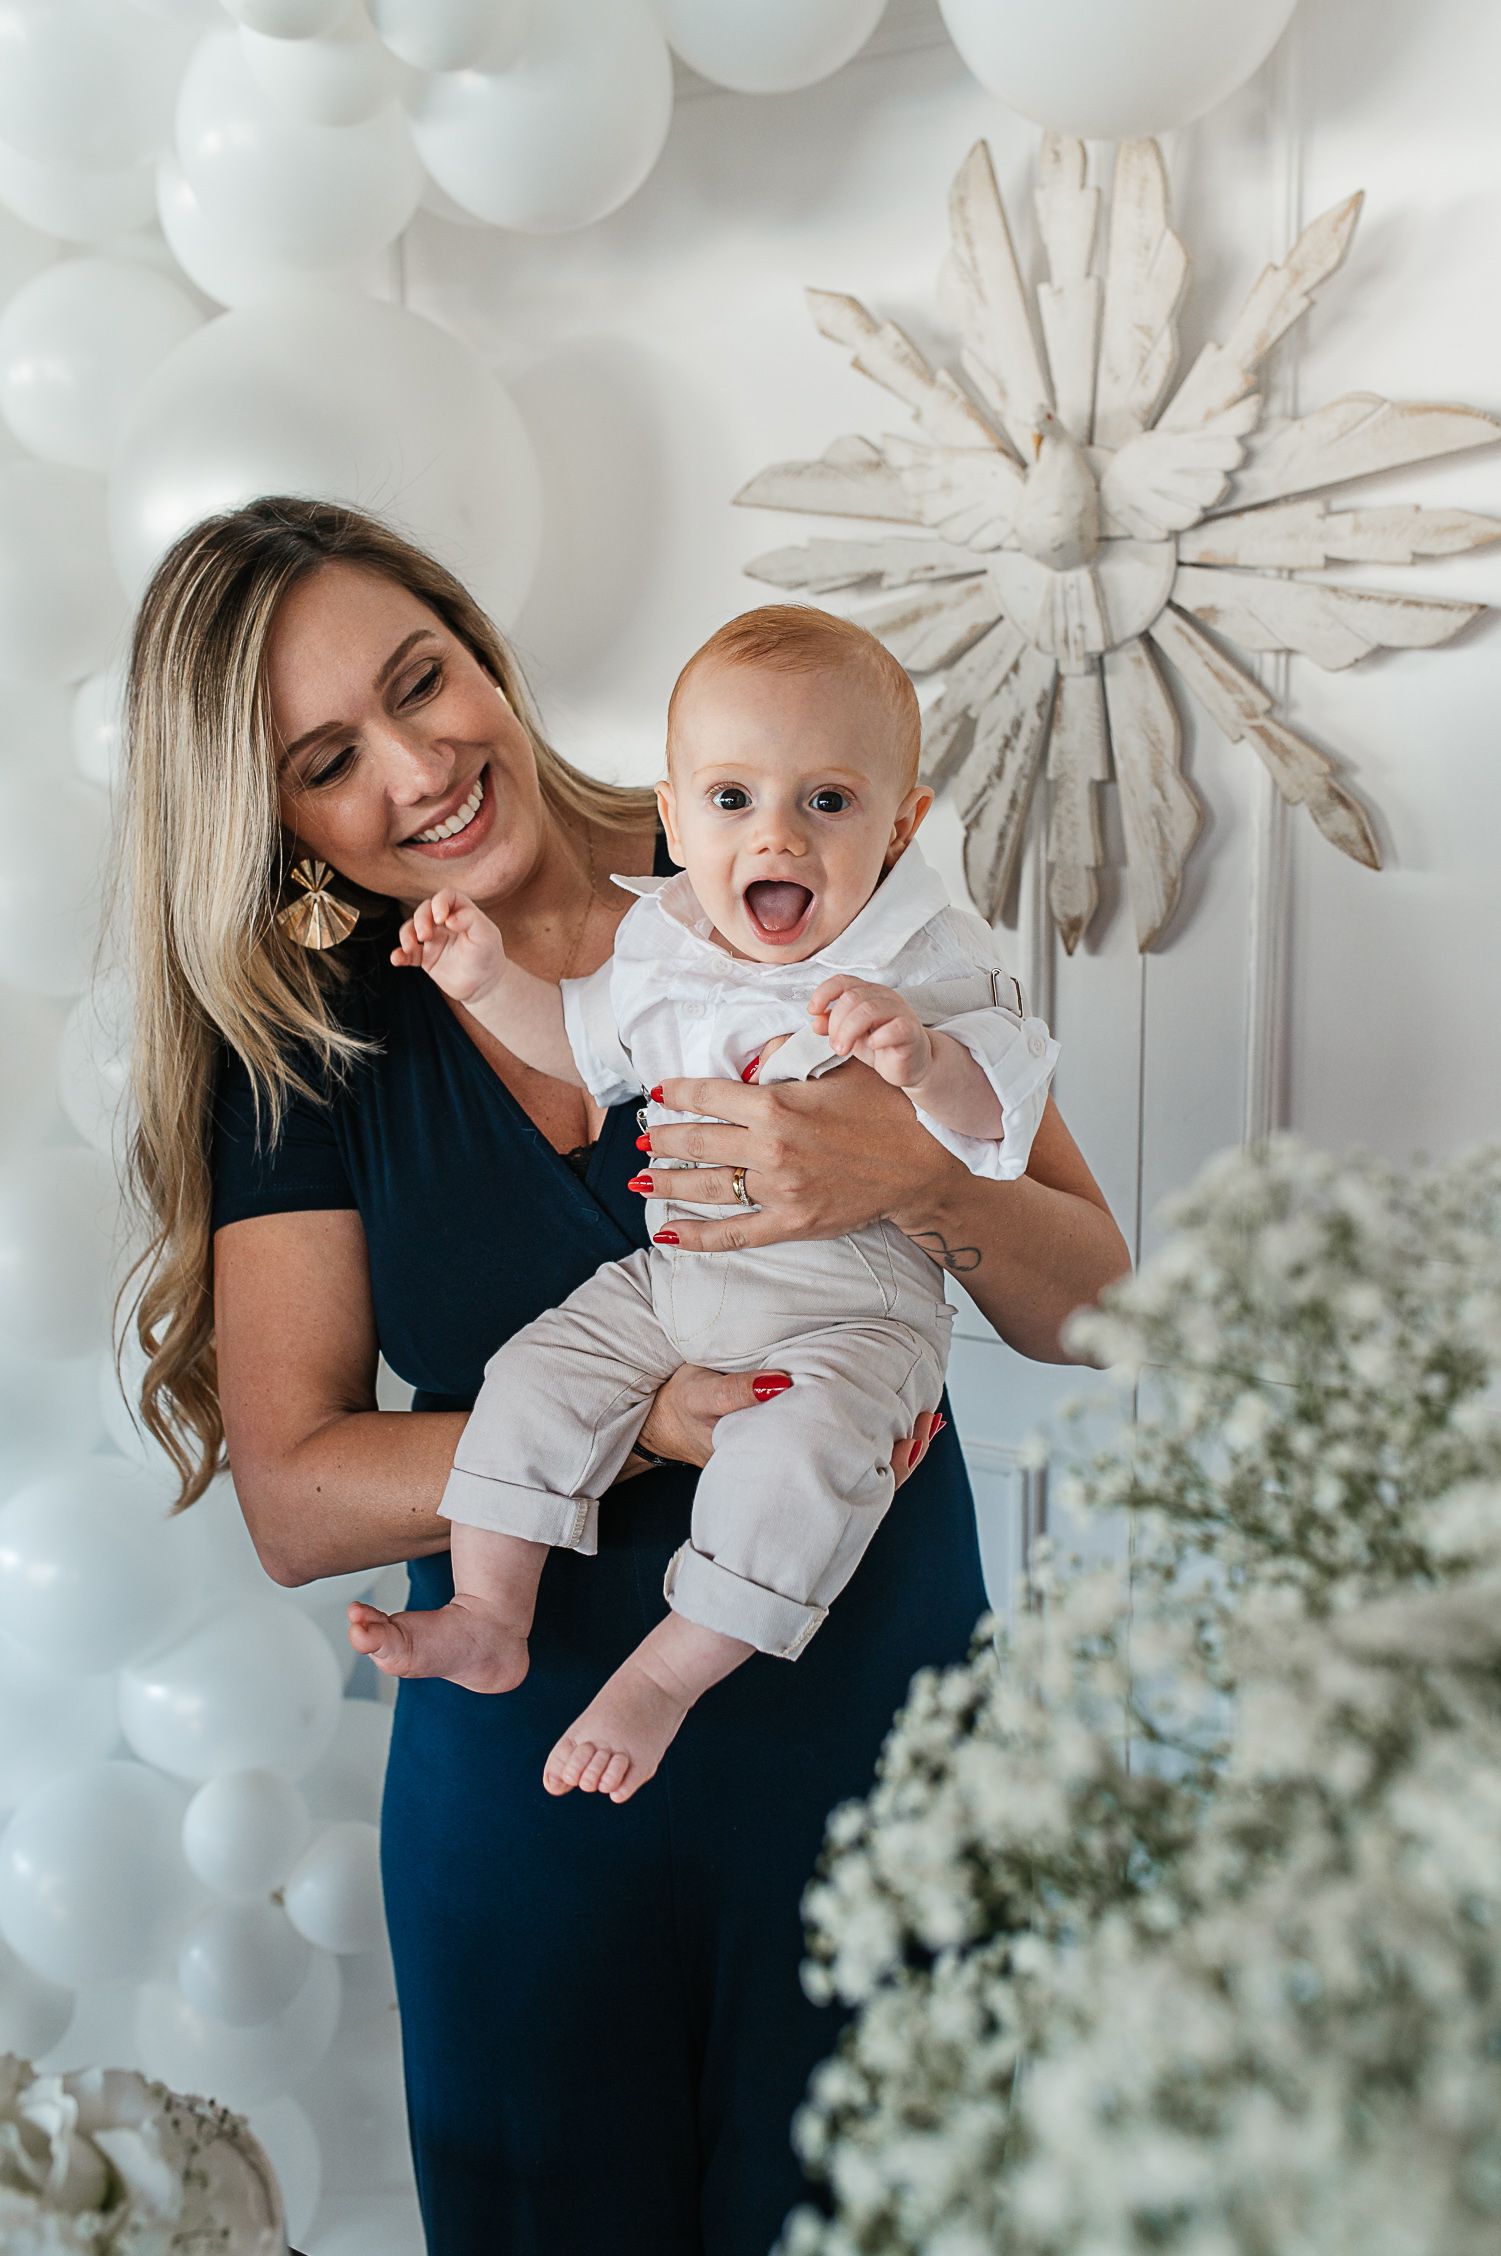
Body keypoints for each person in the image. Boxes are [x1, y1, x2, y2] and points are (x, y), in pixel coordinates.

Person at [117, 494, 1130, 2256]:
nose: (421, 767)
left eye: (424, 681)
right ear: (273, 816)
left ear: (480, 645)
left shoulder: (806, 871)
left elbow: (1104, 1303)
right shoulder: (313, 1054)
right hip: (540, 1822)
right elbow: (295, 1492)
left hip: (881, 1761)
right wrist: (648, 1422)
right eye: (330, 758)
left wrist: (913, 1179)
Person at [347, 606, 1061, 1811]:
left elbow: (1004, 1111)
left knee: (799, 1456)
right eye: (731, 801)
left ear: (901, 825)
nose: (774, 832)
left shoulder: (924, 959)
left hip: (849, 1309)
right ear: (673, 820)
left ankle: (669, 1674)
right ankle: (487, 1608)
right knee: (536, 1371)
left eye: (826, 803)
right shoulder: (665, 947)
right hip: (673, 1285)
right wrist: (485, 979)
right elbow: (579, 1044)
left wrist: (923, 1066)